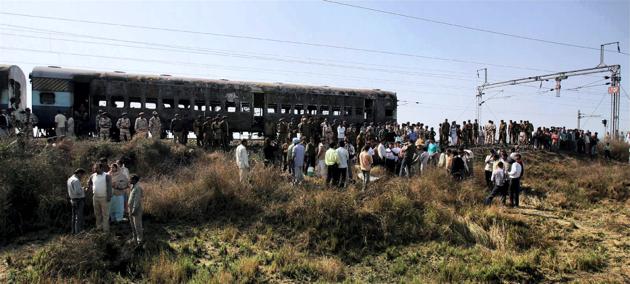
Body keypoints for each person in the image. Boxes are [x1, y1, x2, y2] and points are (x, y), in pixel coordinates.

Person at [88, 163, 112, 232]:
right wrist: (89, 188)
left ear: (101, 168)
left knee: (105, 215)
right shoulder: (92, 176)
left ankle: (106, 230)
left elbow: (109, 187)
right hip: (95, 198)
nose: (95, 169)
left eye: (96, 168)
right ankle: (99, 228)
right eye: (94, 168)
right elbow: (89, 183)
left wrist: (109, 197)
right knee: (97, 214)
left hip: (104, 197)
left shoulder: (107, 176)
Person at [67, 168, 87, 234]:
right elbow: (78, 192)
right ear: (79, 173)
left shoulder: (69, 179)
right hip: (78, 200)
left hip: (72, 199)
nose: (82, 176)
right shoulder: (76, 180)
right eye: (82, 175)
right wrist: (83, 189)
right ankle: (78, 232)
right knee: (78, 217)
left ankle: (73, 231)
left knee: (74, 217)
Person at [128, 174, 143, 245]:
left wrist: (134, 209)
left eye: (130, 179)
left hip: (136, 209)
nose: (129, 180)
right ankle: (134, 238)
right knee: (132, 225)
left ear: (134, 180)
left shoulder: (138, 188)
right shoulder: (132, 187)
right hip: (130, 208)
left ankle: (140, 240)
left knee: (137, 225)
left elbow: (137, 200)